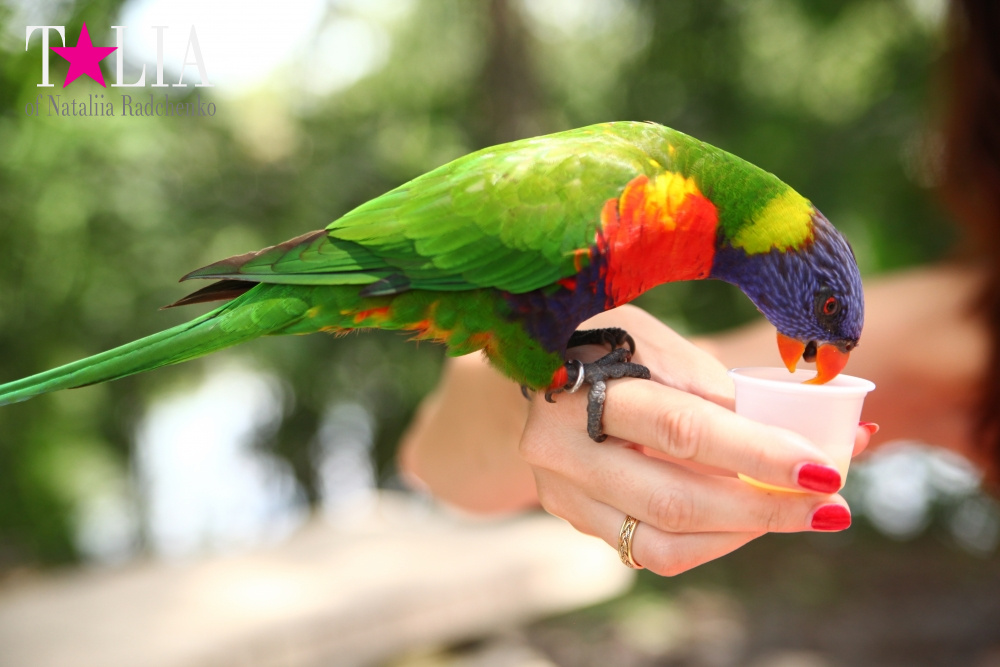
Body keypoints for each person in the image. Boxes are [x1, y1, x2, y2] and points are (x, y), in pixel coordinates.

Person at [398, 0, 1000, 576]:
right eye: (823, 309)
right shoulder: (952, 327)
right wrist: (574, 360)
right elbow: (431, 457)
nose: (815, 356)